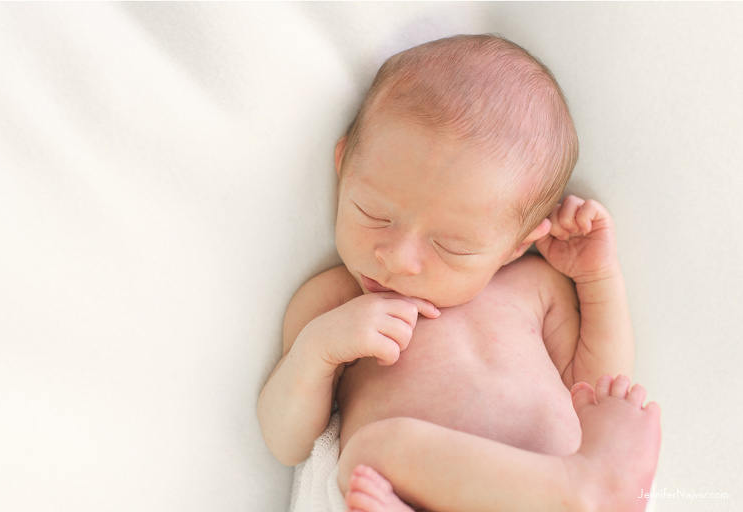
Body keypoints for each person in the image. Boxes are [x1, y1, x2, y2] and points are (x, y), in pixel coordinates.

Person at [258, 34, 661, 512]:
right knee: (366, 459)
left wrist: (597, 278)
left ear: (517, 245)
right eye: (374, 215)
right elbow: (286, 442)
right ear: (344, 164)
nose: (398, 259)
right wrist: (318, 350)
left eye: (451, 246)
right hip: (407, 496)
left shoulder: (533, 288)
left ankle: (582, 484)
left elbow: (594, 389)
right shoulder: (335, 304)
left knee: (373, 452)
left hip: (548, 491)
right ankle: (584, 486)